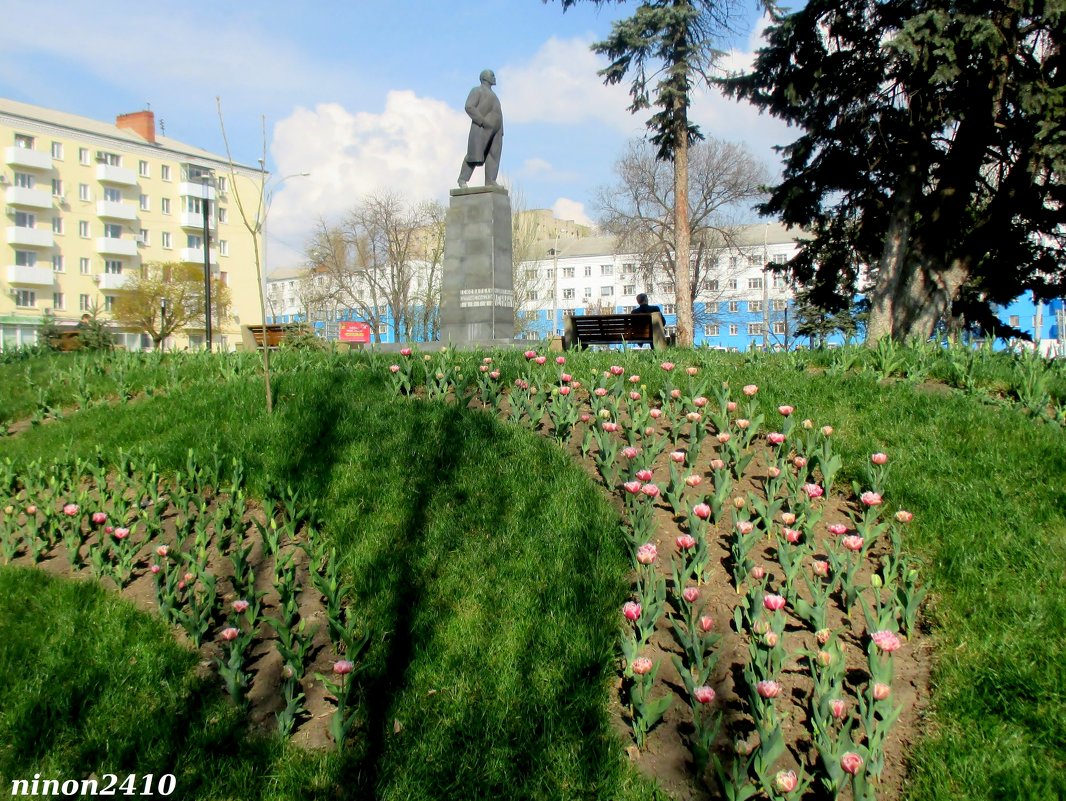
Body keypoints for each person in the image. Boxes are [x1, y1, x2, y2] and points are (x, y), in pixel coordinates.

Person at [458, 69, 504, 188]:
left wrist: (500, 130)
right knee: (474, 154)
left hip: (496, 131)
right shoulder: (477, 90)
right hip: (481, 128)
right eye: (492, 75)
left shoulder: (494, 96)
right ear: (484, 78)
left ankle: (490, 181)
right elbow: (469, 106)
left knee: (493, 155)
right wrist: (482, 121)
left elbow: (498, 113)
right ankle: (462, 179)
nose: (494, 78)